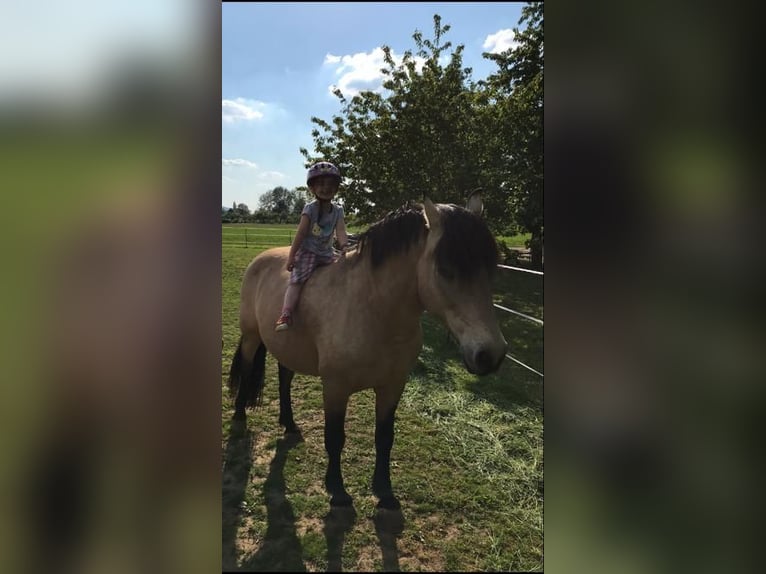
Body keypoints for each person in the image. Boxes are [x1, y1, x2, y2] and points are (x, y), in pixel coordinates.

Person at [275, 161, 348, 331]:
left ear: (336, 188)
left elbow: (341, 231)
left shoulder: (338, 210)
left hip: (326, 252)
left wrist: (344, 246)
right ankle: (286, 313)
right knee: (297, 281)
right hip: (308, 252)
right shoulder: (310, 209)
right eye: (321, 184)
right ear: (312, 188)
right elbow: (300, 234)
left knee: (344, 272)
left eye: (330, 184)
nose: (326, 188)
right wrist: (292, 256)